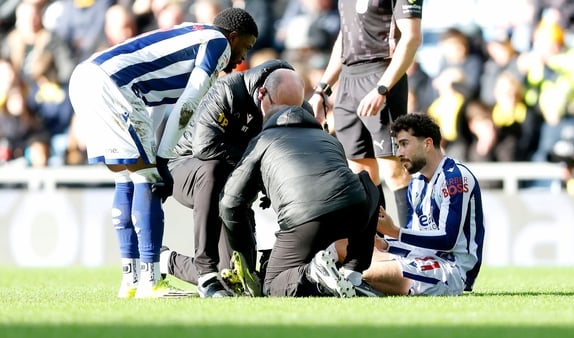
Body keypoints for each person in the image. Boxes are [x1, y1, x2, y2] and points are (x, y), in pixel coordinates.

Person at [67, 7, 259, 299]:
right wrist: (164, 159)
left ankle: (130, 281)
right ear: (233, 37)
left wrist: (156, 153)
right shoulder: (218, 43)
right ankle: (151, 281)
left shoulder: (192, 33)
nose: (244, 57)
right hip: (113, 86)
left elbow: (153, 102)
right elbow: (188, 104)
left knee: (127, 177)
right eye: (245, 46)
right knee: (147, 178)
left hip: (86, 78)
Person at [160, 60, 307, 298]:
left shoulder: (293, 101)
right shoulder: (228, 90)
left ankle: (166, 260)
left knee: (238, 282)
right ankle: (206, 270)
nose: (281, 119)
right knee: (213, 169)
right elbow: (204, 147)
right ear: (262, 94)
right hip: (185, 167)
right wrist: (260, 163)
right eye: (276, 112)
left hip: (234, 188)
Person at [219, 101, 381, 298]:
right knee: (365, 182)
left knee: (272, 285)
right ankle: (353, 275)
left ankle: (313, 272)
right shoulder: (328, 138)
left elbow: (229, 203)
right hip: (355, 209)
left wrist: (243, 257)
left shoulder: (263, 139)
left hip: (305, 216)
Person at [336, 113, 485, 296]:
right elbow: (417, 243)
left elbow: (448, 240)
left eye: (404, 144)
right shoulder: (416, 183)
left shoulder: (455, 178)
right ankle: (354, 283)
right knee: (342, 245)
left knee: (358, 270)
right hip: (420, 260)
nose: (399, 153)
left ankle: (350, 285)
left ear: (427, 144)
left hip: (450, 270)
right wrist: (386, 244)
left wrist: (395, 232)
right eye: (398, 146)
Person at [308, 0, 423, 226]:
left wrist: (383, 88)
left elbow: (411, 37)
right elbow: (345, 37)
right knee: (361, 173)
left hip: (381, 72)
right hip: (348, 79)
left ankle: (414, 247)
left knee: (394, 169)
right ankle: (375, 250)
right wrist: (322, 90)